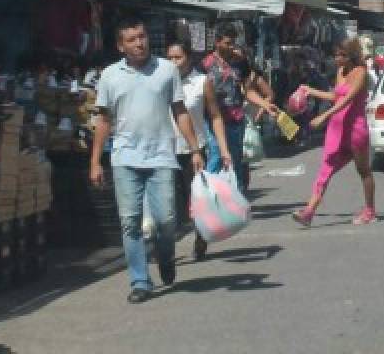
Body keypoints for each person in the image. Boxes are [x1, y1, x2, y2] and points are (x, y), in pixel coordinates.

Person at [90, 16, 209, 304]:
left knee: (166, 221)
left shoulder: (166, 70)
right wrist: (95, 161)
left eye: (142, 37)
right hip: (124, 158)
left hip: (161, 157)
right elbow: (103, 120)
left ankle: (165, 257)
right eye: (131, 39)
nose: (139, 43)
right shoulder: (109, 76)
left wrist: (195, 149)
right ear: (121, 46)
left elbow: (180, 111)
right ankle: (140, 280)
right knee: (130, 222)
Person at [292, 38, 376, 227]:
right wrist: (310, 90)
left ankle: (369, 210)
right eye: (336, 55)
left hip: (355, 129)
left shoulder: (361, 72)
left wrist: (324, 116)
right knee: (325, 169)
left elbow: (348, 99)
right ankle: (309, 211)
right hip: (337, 128)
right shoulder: (340, 72)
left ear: (352, 55)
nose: (338, 59)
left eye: (343, 55)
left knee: (363, 171)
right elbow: (336, 96)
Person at [165, 41, 233, 260]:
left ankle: (200, 237)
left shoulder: (202, 82)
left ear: (189, 58)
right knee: (168, 203)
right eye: (169, 58)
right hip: (165, 150)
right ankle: (166, 247)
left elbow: (215, 116)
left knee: (196, 201)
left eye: (178, 57)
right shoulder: (161, 83)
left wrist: (224, 150)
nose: (173, 62)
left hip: (193, 150)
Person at [202, 25, 278, 194]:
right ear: (217, 42)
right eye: (227, 43)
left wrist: (264, 104)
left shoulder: (240, 62)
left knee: (236, 159)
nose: (231, 47)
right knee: (216, 156)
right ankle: (207, 197)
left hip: (236, 119)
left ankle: (236, 196)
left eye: (233, 43)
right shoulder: (205, 64)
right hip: (213, 119)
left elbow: (248, 90)